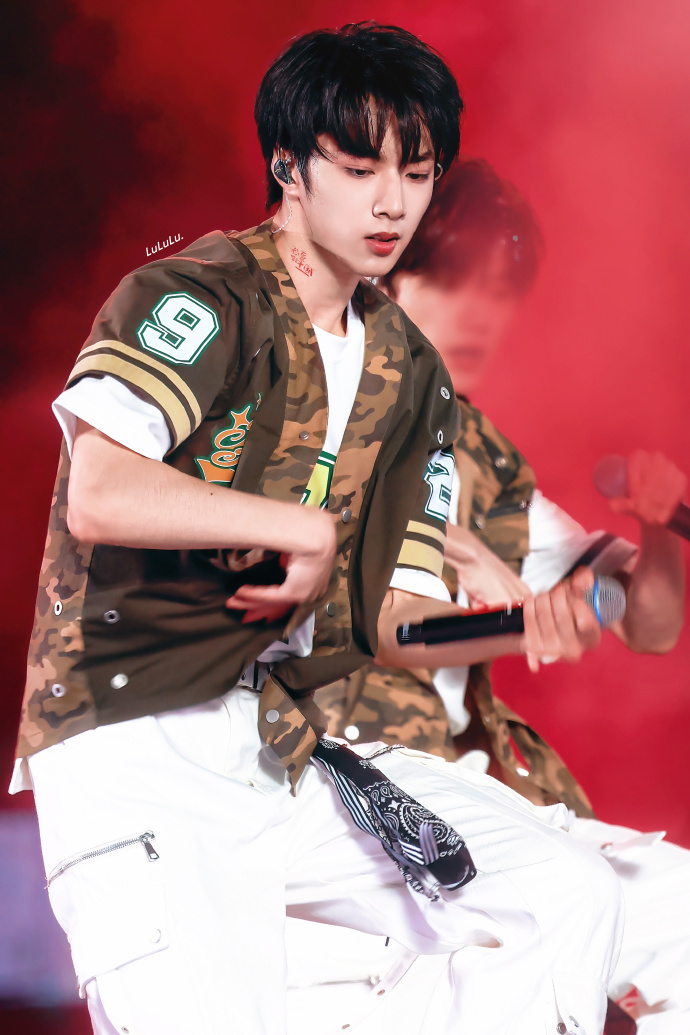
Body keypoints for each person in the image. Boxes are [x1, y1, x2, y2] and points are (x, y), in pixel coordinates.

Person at [12, 29, 624, 1035]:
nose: (393, 204)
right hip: (135, 741)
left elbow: (397, 617)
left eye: (417, 174)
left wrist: (520, 619)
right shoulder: (199, 294)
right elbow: (102, 488)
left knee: (561, 893)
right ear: (289, 166)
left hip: (281, 748)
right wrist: (297, 527)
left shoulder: (410, 369)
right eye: (360, 167)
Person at [284, 159, 688, 1035]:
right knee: (550, 909)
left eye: (501, 291)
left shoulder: (485, 455)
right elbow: (364, 603)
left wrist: (662, 528)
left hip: (472, 794)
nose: (480, 313)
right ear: (390, 266)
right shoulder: (320, 390)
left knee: (678, 916)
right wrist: (473, 573)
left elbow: (647, 622)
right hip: (341, 791)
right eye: (455, 279)